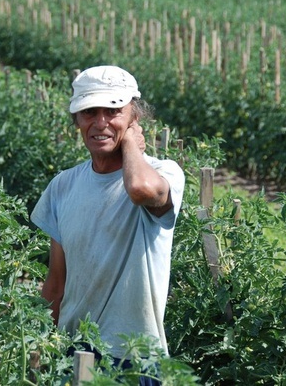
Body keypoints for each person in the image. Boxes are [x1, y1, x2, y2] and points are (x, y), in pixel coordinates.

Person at [31, 65, 185, 384]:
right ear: (77, 119)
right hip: (72, 352)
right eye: (89, 111)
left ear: (134, 118)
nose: (100, 122)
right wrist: (40, 349)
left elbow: (141, 190)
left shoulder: (163, 173)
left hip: (135, 359)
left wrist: (130, 144)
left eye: (114, 110)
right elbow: (57, 282)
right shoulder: (63, 186)